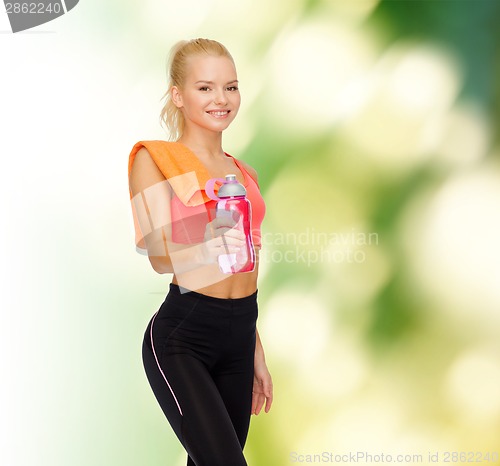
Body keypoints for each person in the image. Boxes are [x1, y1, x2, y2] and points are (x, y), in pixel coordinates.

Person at [128, 38, 273, 466]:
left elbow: (247, 263)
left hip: (240, 332)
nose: (221, 99)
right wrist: (209, 245)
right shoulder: (154, 159)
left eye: (230, 87)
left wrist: (255, 350)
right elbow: (158, 257)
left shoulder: (244, 173)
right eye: (205, 87)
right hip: (184, 336)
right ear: (178, 95)